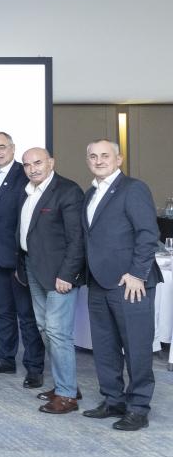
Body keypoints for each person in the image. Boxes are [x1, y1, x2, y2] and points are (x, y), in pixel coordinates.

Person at [81, 139, 162, 431]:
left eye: (105, 155)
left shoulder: (133, 188)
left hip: (130, 283)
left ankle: (138, 408)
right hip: (98, 282)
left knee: (137, 347)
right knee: (105, 347)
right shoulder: (91, 193)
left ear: (119, 159)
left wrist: (137, 273)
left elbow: (147, 233)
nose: (99, 160)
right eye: (93, 156)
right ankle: (113, 400)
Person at [17, 148, 85, 414]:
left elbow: (77, 238)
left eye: (38, 163)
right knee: (45, 328)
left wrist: (68, 274)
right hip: (33, 268)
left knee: (57, 332)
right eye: (27, 165)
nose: (32, 168)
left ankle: (67, 396)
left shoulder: (67, 190)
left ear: (51, 163)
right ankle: (66, 385)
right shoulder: (27, 191)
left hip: (59, 274)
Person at [0, 132, 44, 386]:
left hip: (18, 258)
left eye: (2, 147)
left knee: (27, 316)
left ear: (13, 148)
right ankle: (5, 359)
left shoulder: (24, 174)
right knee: (1, 311)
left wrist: (22, 256)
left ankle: (34, 367)